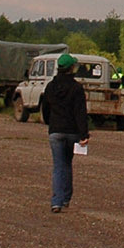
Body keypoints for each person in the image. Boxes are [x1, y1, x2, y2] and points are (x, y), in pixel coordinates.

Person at [40, 52, 90, 211]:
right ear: (71, 68)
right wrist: (84, 134)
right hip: (72, 131)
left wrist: (50, 123)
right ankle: (66, 198)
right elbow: (80, 113)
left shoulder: (50, 87)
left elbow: (46, 108)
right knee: (67, 164)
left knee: (58, 166)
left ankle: (57, 201)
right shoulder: (76, 88)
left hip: (55, 131)